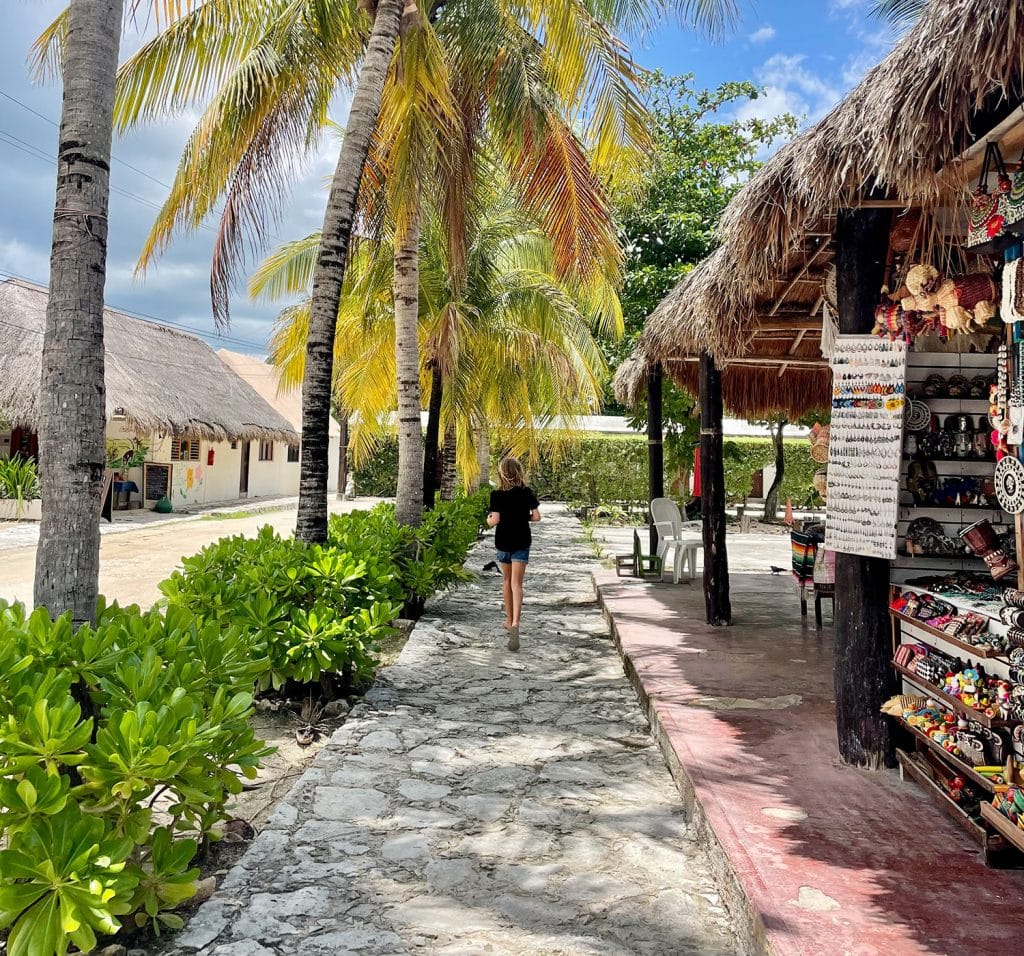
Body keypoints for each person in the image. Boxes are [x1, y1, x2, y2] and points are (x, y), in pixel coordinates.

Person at [486, 457, 540, 651]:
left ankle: (509, 621)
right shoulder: (527, 493)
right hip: (522, 541)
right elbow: (536, 517)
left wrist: (488, 519)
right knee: (518, 584)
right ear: (519, 471)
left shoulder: (497, 494)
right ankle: (517, 622)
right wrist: (522, 516)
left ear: (501, 473)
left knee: (506, 581)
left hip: (503, 542)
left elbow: (494, 520)